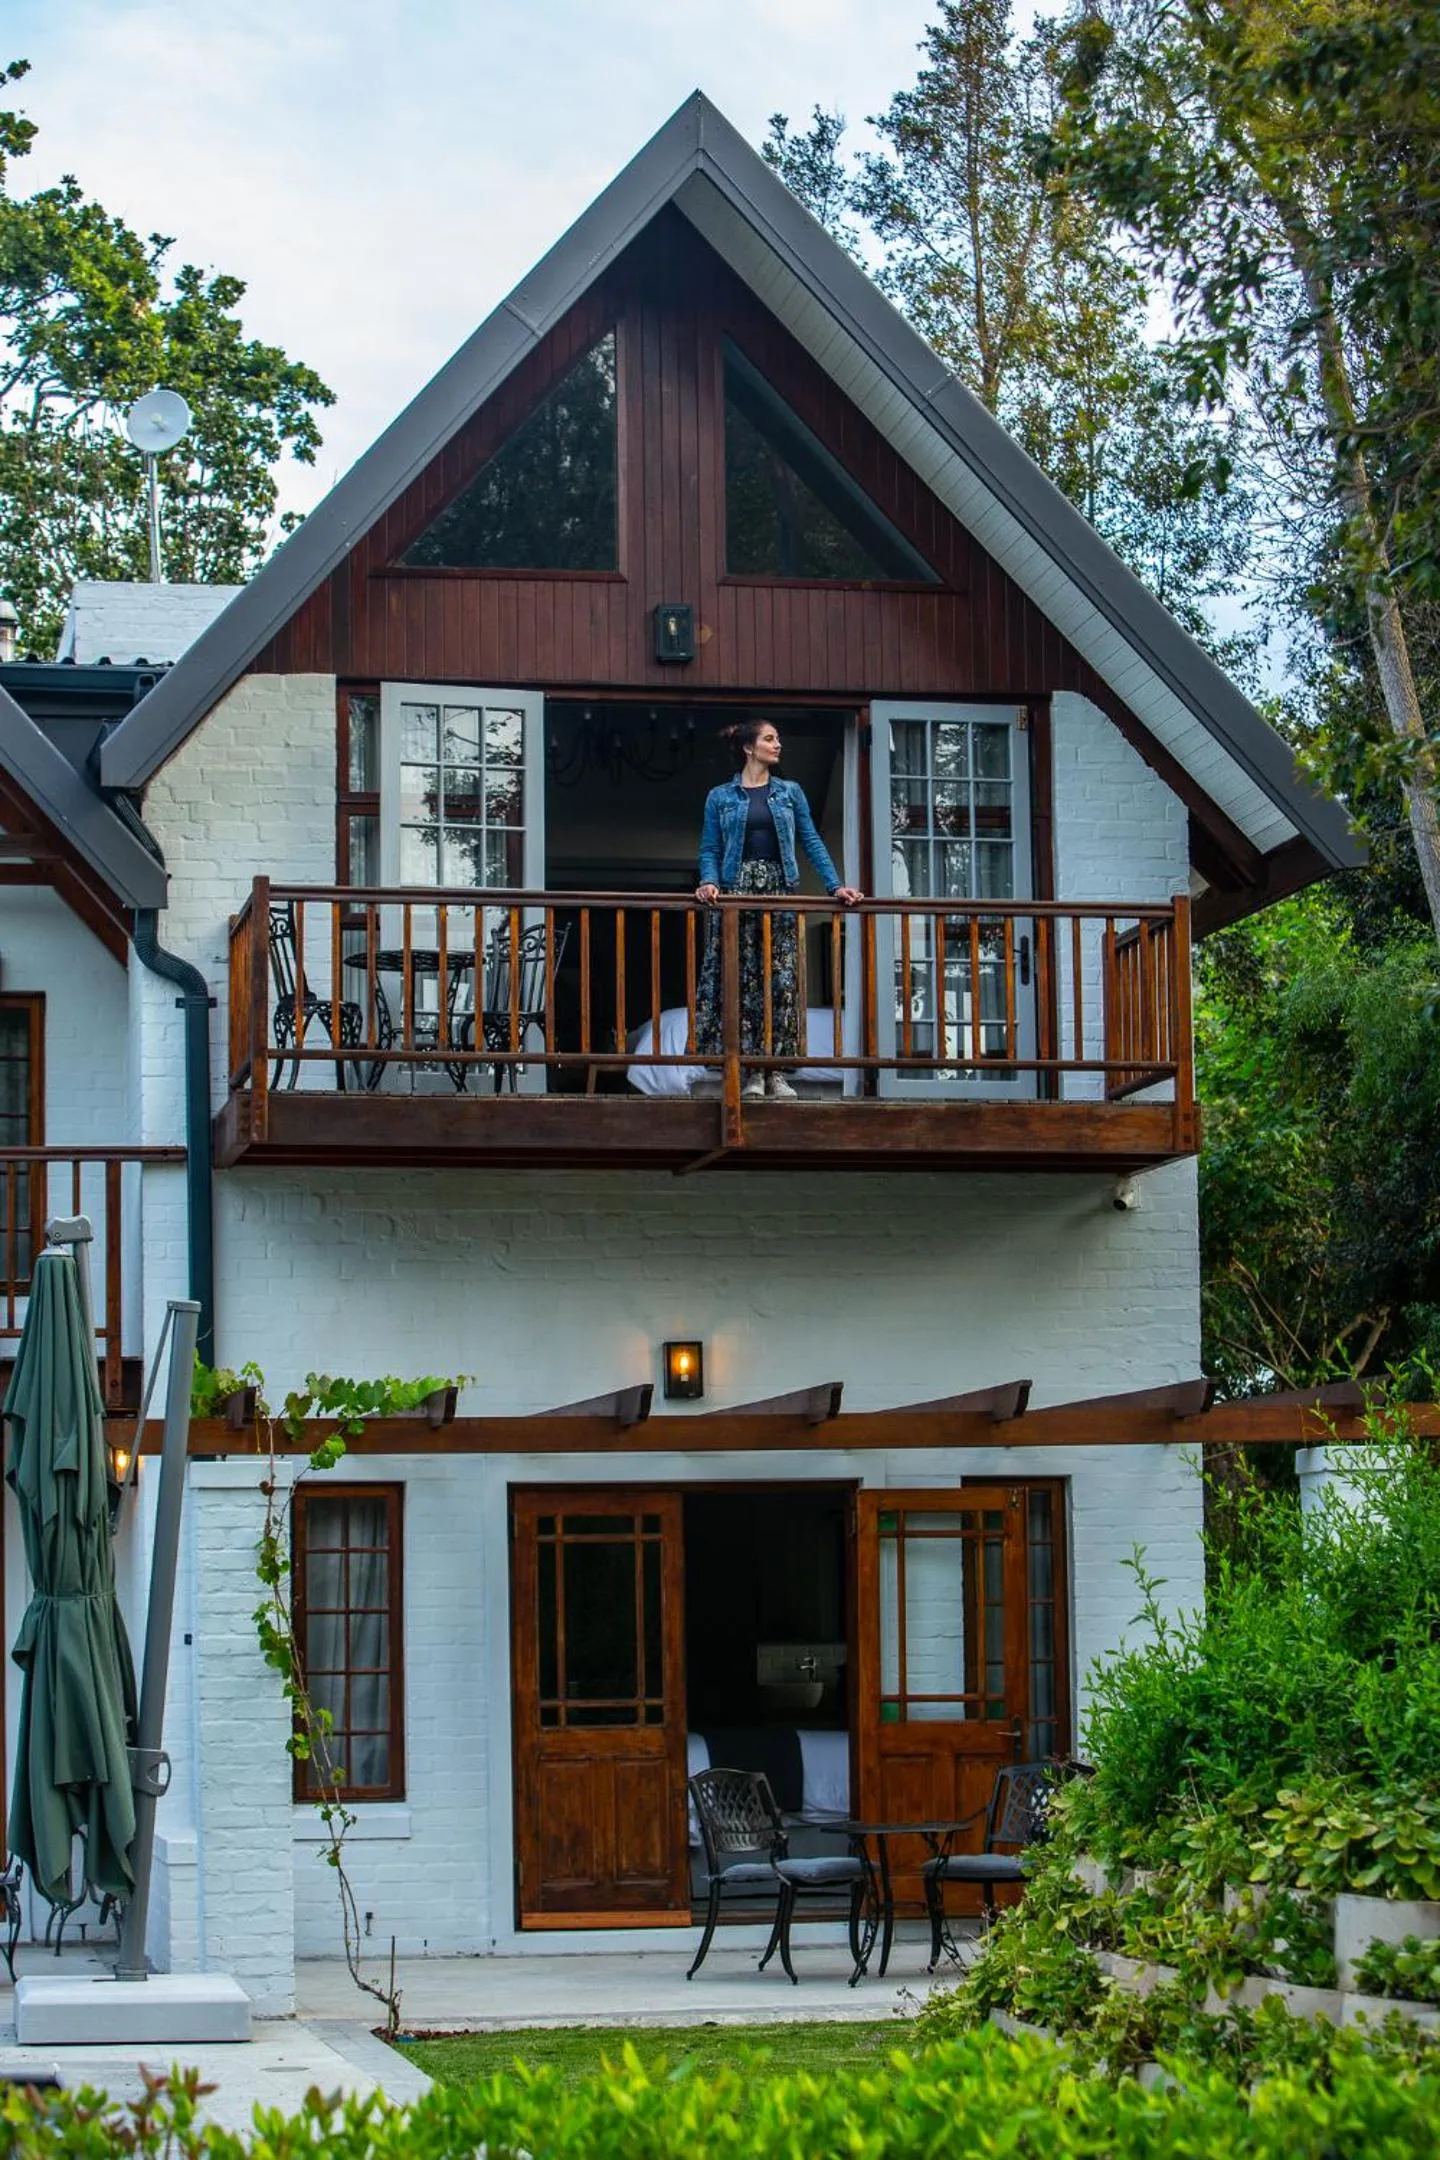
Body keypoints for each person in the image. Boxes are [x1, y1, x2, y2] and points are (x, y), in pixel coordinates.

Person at [694, 719, 862, 1099]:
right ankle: (751, 1071)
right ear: (748, 748)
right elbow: (710, 847)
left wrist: (836, 885)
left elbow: (811, 840)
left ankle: (776, 1071)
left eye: (778, 739)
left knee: (780, 981)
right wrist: (709, 880)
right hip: (736, 893)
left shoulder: (790, 792)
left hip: (778, 890)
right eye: (770, 739)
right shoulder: (720, 796)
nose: (778, 744)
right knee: (741, 981)